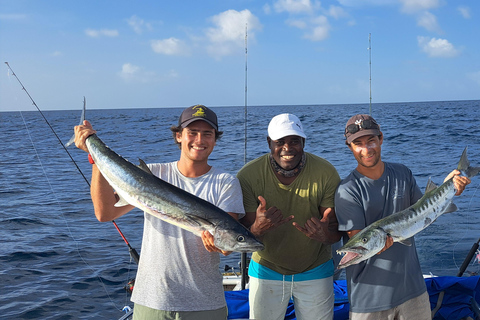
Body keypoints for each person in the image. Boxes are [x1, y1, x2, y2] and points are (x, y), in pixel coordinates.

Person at [74, 104, 245, 320]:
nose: (199, 140)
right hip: (152, 302)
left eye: (207, 134)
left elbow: (227, 242)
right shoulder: (153, 174)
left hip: (204, 304)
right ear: (178, 136)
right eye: (192, 132)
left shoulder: (226, 183)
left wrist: (223, 246)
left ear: (215, 139)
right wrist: (95, 157)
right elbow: (104, 213)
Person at [335, 114, 471, 320]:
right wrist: (374, 242)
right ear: (350, 147)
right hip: (370, 301)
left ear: (380, 139)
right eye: (358, 144)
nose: (366, 149)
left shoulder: (402, 173)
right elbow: (360, 238)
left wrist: (449, 185)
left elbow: (425, 208)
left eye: (371, 141)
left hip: (413, 293)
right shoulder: (347, 190)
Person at [237, 113, 342, 320]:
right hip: (266, 269)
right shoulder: (248, 176)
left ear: (303, 142)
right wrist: (257, 229)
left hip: (316, 269)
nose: (287, 148)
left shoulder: (326, 172)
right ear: (269, 143)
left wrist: (324, 236)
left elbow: (335, 234)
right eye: (280, 142)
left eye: (294, 141)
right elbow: (242, 238)